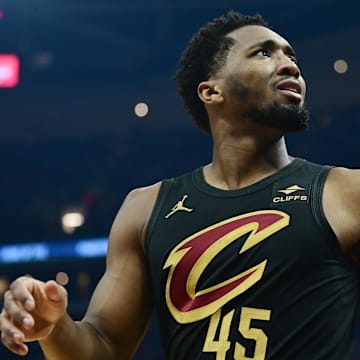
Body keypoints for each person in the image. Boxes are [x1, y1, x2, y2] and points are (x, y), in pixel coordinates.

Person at [1, 10, 359, 360]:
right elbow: (104, 346)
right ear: (211, 91)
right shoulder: (146, 207)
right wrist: (55, 327)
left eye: (290, 55)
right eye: (264, 52)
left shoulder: (346, 193)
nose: (290, 64)